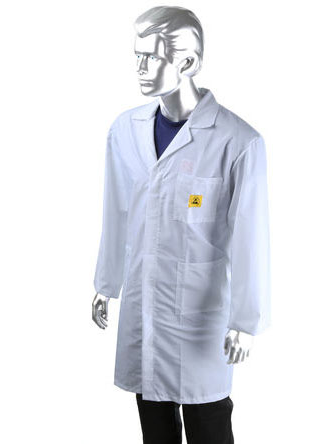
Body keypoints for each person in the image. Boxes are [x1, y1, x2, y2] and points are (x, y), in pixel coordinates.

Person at [92, 6, 271, 444]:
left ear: (187, 62)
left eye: (151, 57)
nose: (139, 67)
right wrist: (106, 284)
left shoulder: (237, 141)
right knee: (154, 425)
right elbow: (116, 214)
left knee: (209, 426)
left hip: (200, 318)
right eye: (137, 55)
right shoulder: (125, 130)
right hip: (144, 306)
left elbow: (251, 239)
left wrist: (246, 321)